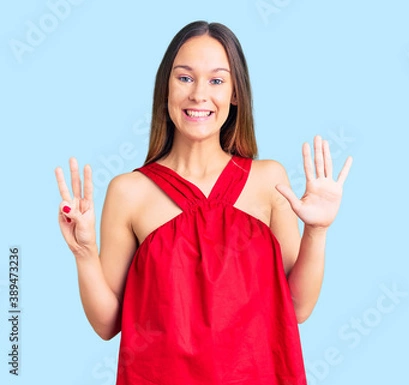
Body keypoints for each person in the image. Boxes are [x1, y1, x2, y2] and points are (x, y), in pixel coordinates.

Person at [55, 21, 352, 384]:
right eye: (184, 78)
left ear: (235, 94)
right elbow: (106, 324)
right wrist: (84, 253)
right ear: (165, 87)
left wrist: (317, 231)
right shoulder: (128, 191)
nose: (198, 94)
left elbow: (297, 308)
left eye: (216, 80)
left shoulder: (268, 180)